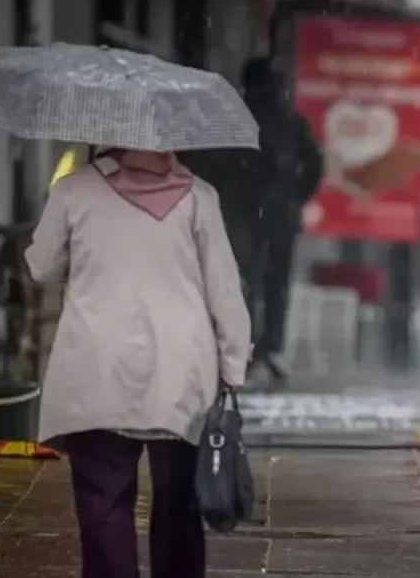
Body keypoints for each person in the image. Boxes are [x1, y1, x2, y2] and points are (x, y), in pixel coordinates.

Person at [25, 148, 251, 578]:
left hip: (96, 372)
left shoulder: (74, 190)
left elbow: (40, 266)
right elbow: (224, 291)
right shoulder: (199, 198)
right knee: (178, 505)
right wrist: (233, 367)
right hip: (180, 376)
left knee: (103, 503)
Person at [241, 59, 322, 384]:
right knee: (269, 284)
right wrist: (295, 196)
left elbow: (313, 164)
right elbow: (314, 165)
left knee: (251, 281)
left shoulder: (243, 118)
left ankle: (254, 346)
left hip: (249, 214)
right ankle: (264, 346)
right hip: (269, 215)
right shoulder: (288, 121)